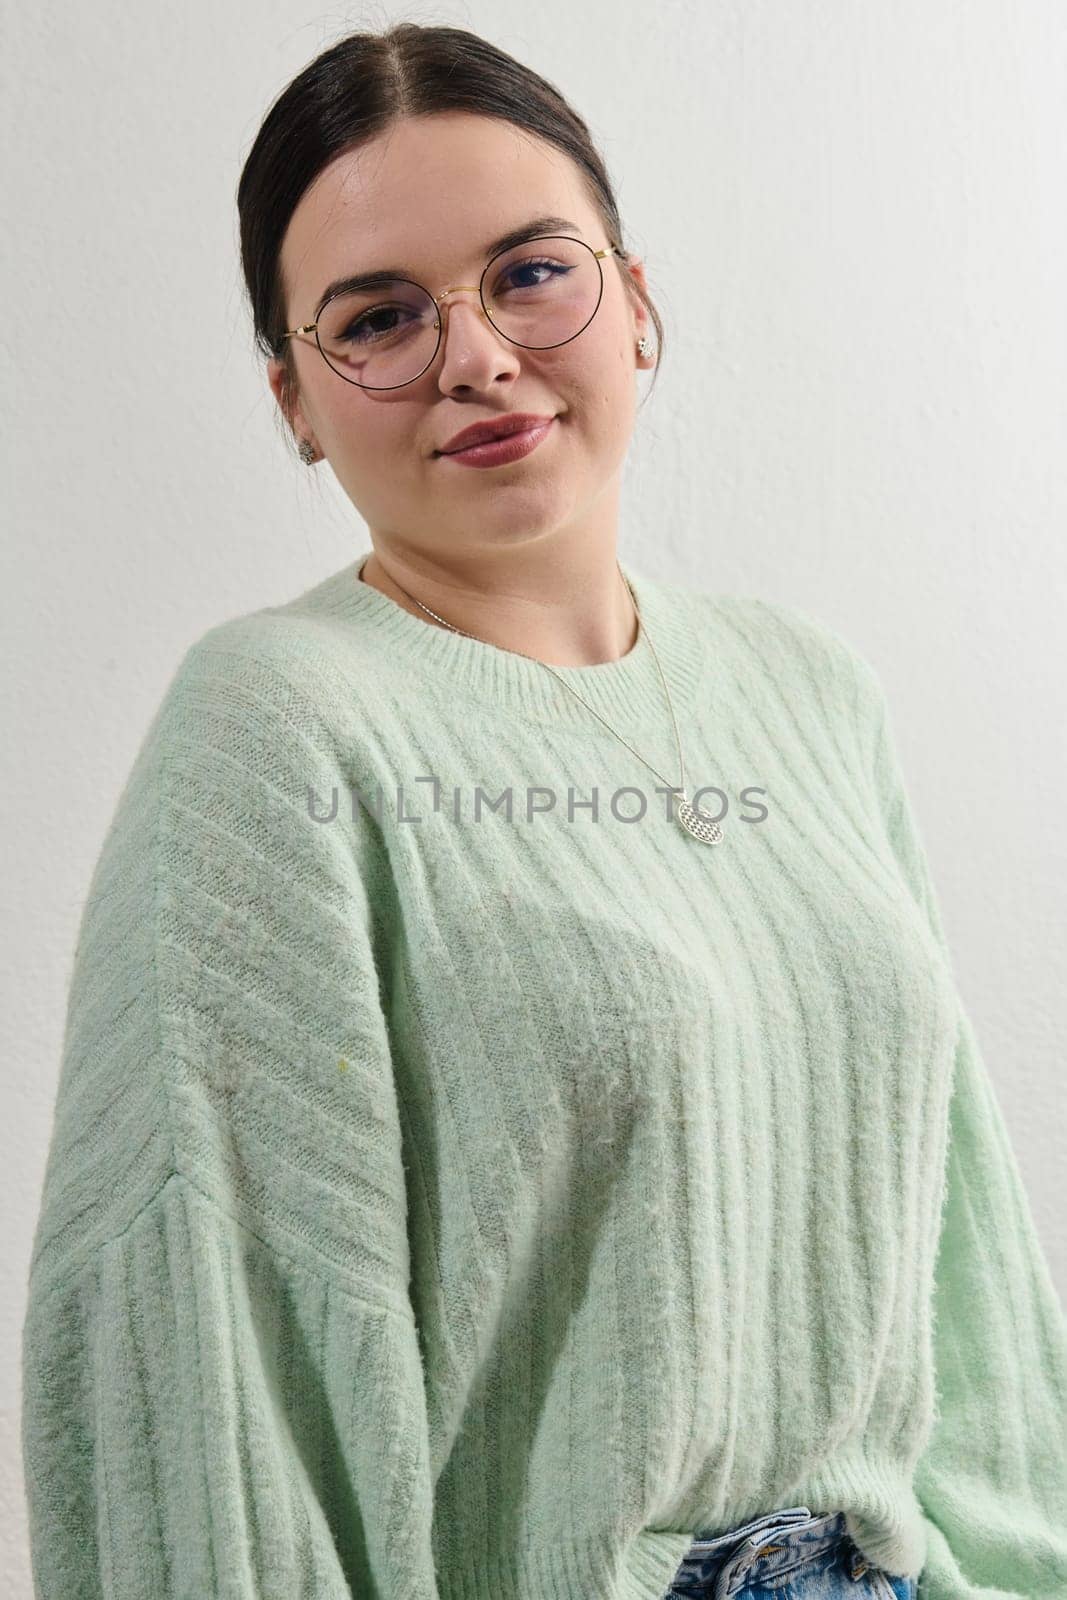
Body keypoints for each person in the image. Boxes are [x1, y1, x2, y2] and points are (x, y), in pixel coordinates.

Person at [20, 22, 1067, 1600]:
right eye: (378, 317)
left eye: (529, 274)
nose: (476, 354)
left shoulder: (811, 691)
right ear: (296, 399)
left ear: (635, 304)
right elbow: (205, 1341)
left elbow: (962, 1243)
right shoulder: (279, 728)